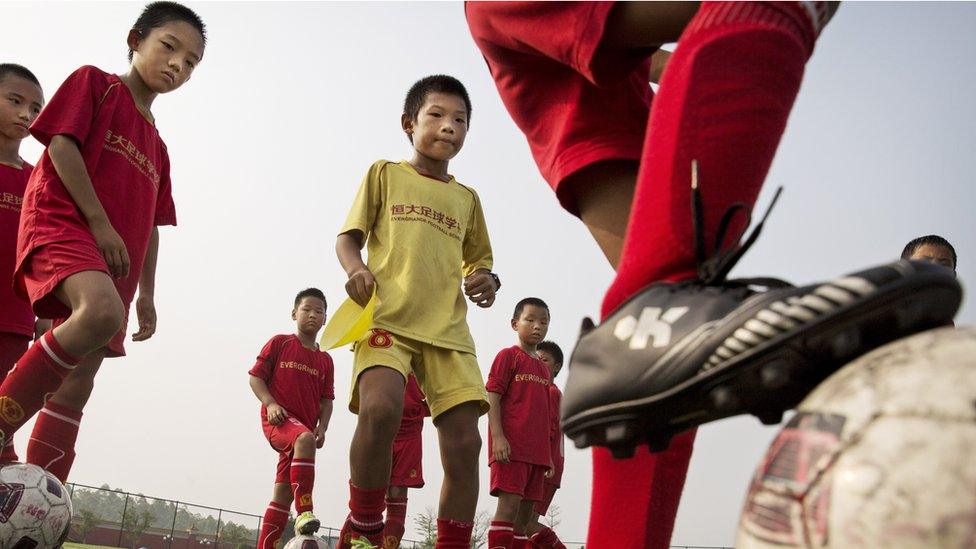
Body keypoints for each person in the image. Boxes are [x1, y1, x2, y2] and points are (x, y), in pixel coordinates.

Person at [467, 2, 961, 546]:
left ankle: (652, 322)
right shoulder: (512, 360)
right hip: (543, 43)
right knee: (666, 322)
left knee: (660, 353)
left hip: (614, 113)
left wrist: (702, 54)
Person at [0, 1, 207, 484]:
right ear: (136, 40)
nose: (177, 64)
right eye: (169, 47)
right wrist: (98, 222)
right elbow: (60, 144)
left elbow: (153, 223)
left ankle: (35, 493)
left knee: (79, 383)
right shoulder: (96, 83)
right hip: (63, 225)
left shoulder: (158, 146)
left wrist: (149, 294)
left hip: (116, 268)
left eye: (191, 62)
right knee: (98, 312)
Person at [335, 74, 500, 548]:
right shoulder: (385, 174)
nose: (450, 127)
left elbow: (481, 262)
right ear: (409, 123)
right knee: (382, 409)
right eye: (437, 115)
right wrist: (355, 268)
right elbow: (348, 237)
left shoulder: (467, 199)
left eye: (461, 120)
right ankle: (366, 528)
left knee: (467, 445)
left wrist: (486, 281)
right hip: (389, 320)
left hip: (448, 333)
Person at [250, 288, 335, 541]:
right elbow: (255, 378)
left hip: (303, 432)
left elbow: (327, 400)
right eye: (306, 309)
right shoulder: (280, 343)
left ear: (325, 318)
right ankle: (305, 511)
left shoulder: (325, 360)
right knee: (304, 439)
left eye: (318, 311)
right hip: (279, 421)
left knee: (282, 495)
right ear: (294, 313)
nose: (312, 315)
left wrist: (323, 426)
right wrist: (271, 404)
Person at [0, 63, 47, 463]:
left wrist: (45, 312)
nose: (25, 115)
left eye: (34, 108)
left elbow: (41, 248)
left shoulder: (39, 180)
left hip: (13, 320)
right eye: (15, 101)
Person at [486, 298, 553, 549]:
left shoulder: (545, 370)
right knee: (509, 506)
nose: (538, 326)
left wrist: (548, 455)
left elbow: (545, 413)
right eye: (530, 320)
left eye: (544, 322)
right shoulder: (507, 356)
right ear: (515, 324)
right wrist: (498, 436)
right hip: (511, 448)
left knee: (525, 517)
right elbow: (492, 395)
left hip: (537, 453)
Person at [382, 373, 431, 549]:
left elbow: (440, 394)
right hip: (380, 426)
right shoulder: (385, 346)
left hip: (410, 434)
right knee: (371, 496)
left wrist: (417, 408)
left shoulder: (427, 351)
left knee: (397, 493)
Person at [528, 340, 567, 549]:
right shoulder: (548, 391)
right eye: (536, 359)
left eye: (544, 360)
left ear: (556, 366)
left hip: (545, 467)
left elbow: (547, 431)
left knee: (524, 521)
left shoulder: (550, 392)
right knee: (522, 525)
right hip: (546, 464)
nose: (539, 363)